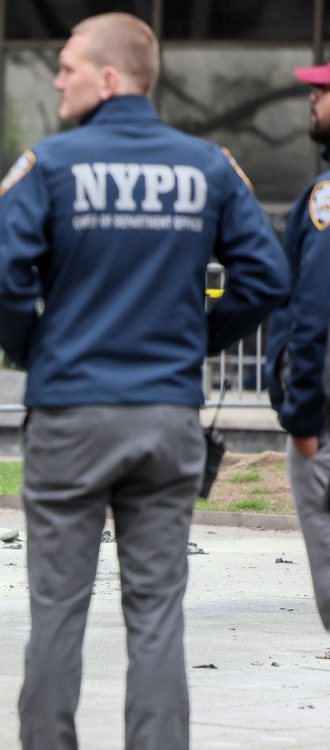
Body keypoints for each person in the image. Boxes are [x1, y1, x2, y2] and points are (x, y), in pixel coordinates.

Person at [0, 13, 287, 750]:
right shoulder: (207, 166)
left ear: (108, 78)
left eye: (68, 67)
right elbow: (266, 277)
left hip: (71, 411)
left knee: (57, 611)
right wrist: (196, 341)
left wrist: (36, 350)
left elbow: (1, 280)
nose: (57, 79)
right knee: (157, 617)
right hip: (165, 415)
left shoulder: (49, 165)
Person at [265, 60, 330, 637]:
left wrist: (302, 414)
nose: (313, 99)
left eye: (325, 90)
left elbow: (312, 314)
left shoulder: (325, 202)